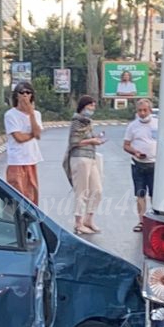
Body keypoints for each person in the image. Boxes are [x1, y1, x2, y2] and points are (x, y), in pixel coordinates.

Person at [63, 94, 105, 235]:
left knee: (97, 190)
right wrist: (92, 141)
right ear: (83, 106)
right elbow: (74, 142)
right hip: (80, 158)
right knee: (81, 191)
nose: (92, 108)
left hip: (91, 157)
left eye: (93, 105)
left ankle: (89, 218)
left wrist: (96, 139)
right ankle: (78, 223)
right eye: (90, 105)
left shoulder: (88, 122)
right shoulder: (77, 121)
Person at [2, 81, 44, 204]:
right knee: (17, 196)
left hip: (31, 159)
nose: (25, 95)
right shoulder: (10, 115)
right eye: (22, 92)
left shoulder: (36, 114)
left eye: (28, 92)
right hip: (17, 161)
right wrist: (33, 134)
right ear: (17, 95)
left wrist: (31, 113)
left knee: (32, 197)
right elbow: (19, 138)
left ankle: (31, 221)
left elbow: (38, 133)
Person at [123, 97, 158, 231]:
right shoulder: (133, 126)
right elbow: (126, 145)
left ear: (150, 110)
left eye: (145, 110)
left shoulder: (158, 124)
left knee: (155, 195)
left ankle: (156, 220)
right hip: (138, 165)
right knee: (140, 194)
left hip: (154, 164)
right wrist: (135, 152)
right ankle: (142, 221)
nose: (142, 113)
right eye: (139, 111)